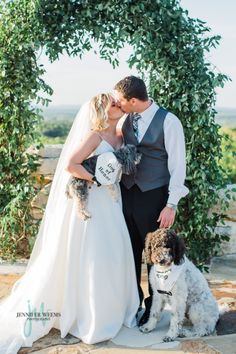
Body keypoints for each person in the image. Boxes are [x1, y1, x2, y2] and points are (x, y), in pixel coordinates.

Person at [0, 93, 139, 354]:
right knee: (95, 254)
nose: (119, 105)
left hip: (112, 201)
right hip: (95, 201)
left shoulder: (120, 136)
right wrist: (95, 179)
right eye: (113, 103)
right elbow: (71, 164)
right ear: (101, 111)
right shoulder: (95, 136)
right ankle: (92, 315)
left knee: (114, 253)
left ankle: (117, 309)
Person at [114, 76, 189, 326]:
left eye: (121, 101)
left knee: (152, 256)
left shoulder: (169, 121)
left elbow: (178, 166)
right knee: (129, 250)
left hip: (154, 194)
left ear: (133, 101)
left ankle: (152, 307)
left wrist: (171, 204)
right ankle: (130, 303)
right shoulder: (125, 119)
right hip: (126, 192)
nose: (118, 104)